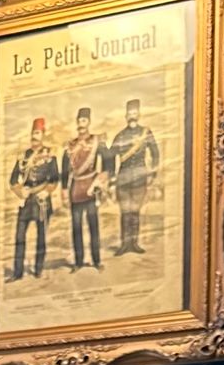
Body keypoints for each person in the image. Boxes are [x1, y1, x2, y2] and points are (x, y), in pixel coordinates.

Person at [106, 98, 160, 255]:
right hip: (123, 178)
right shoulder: (120, 136)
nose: (132, 116)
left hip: (139, 176)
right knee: (125, 211)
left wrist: (153, 173)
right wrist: (111, 178)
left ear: (139, 114)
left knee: (135, 211)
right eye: (130, 113)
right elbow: (110, 157)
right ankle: (124, 244)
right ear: (126, 116)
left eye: (135, 113)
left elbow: (155, 153)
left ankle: (134, 243)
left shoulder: (146, 133)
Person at [9, 117, 58, 282]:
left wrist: (47, 192)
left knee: (41, 237)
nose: (34, 136)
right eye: (33, 133)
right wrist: (20, 192)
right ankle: (17, 272)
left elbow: (55, 179)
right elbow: (13, 180)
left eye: (37, 133)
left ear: (43, 134)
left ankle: (38, 270)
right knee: (19, 237)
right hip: (26, 202)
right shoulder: (24, 156)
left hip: (41, 202)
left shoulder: (49, 156)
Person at [60, 107, 108, 271]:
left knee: (93, 226)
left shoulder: (96, 141)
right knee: (76, 227)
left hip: (91, 189)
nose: (81, 124)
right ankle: (78, 262)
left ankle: (96, 261)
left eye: (84, 120)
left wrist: (101, 178)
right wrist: (64, 189)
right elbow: (65, 170)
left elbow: (108, 160)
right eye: (79, 120)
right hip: (75, 190)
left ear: (89, 122)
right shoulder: (70, 145)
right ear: (77, 123)